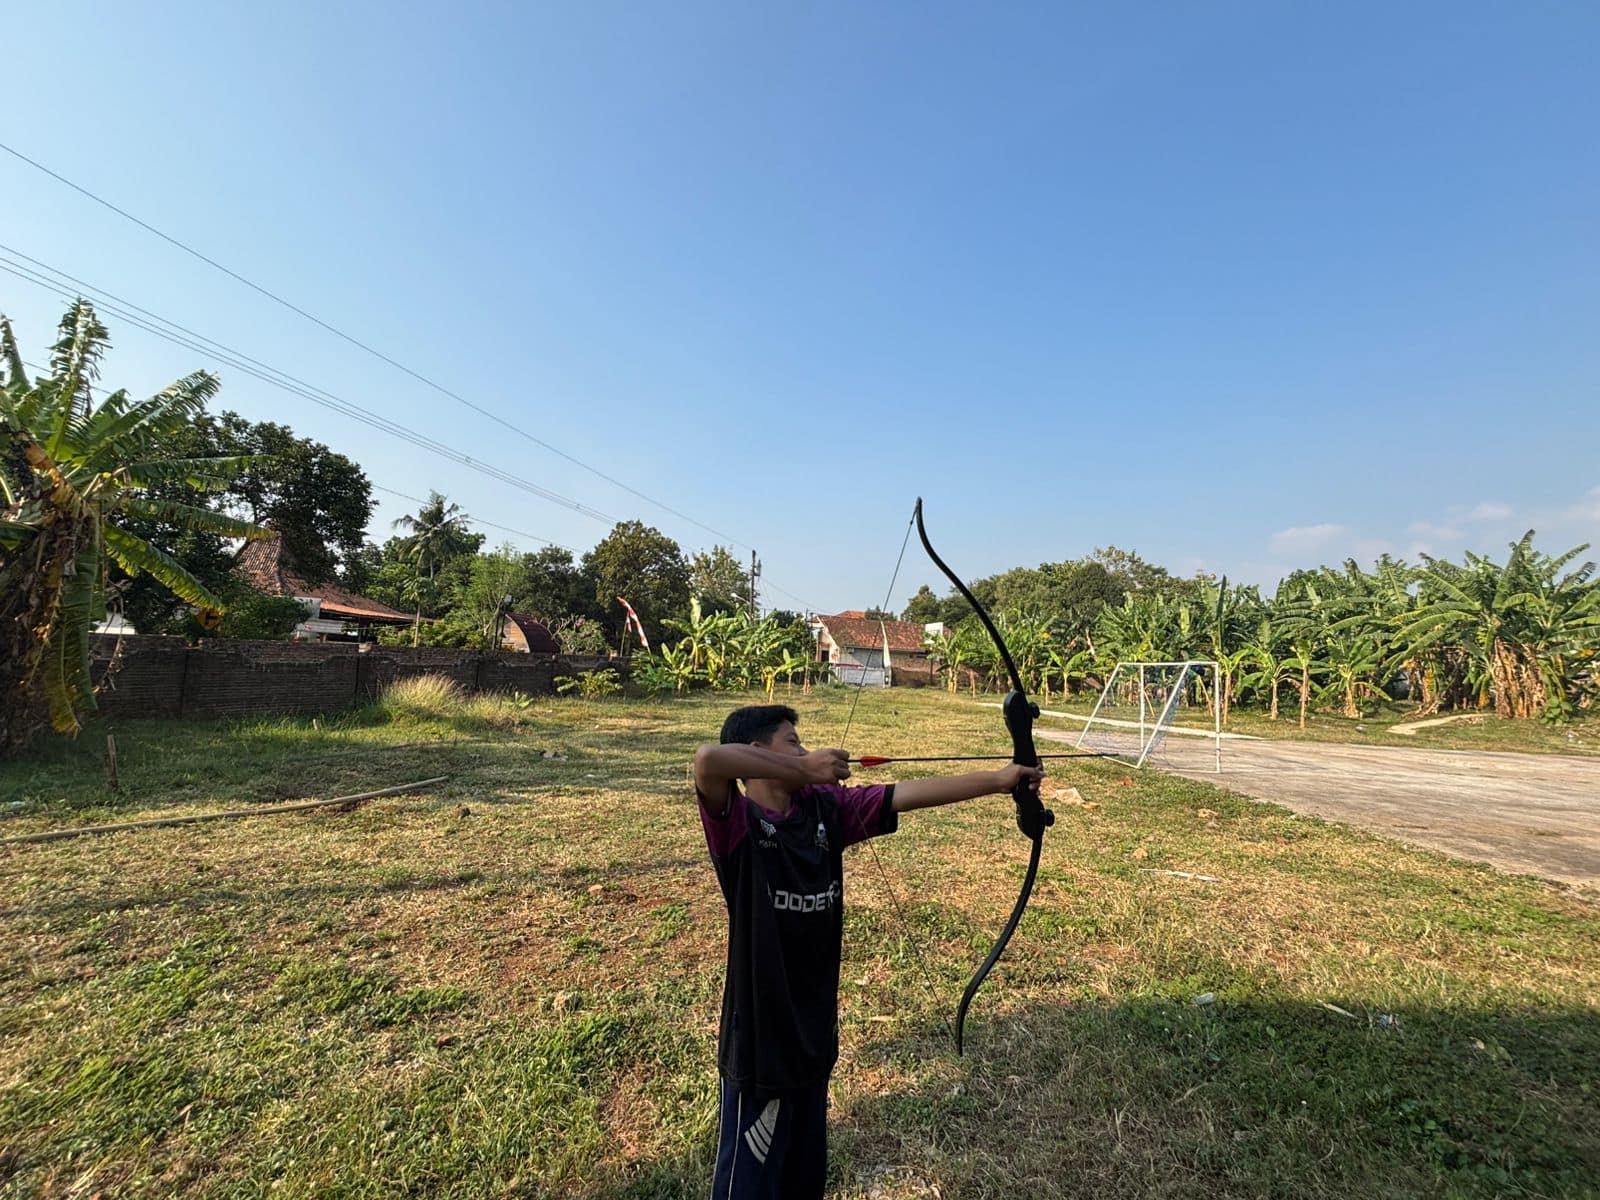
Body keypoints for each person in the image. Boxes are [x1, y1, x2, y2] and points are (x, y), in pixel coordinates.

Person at [693, 703, 1044, 1199]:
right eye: (793, 741)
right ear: (755, 754)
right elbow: (708, 760)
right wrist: (803, 767)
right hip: (759, 1047)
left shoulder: (826, 811)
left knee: (804, 1180)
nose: (805, 749)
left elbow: (909, 794)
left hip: (813, 1040)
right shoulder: (738, 823)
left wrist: (1002, 779)